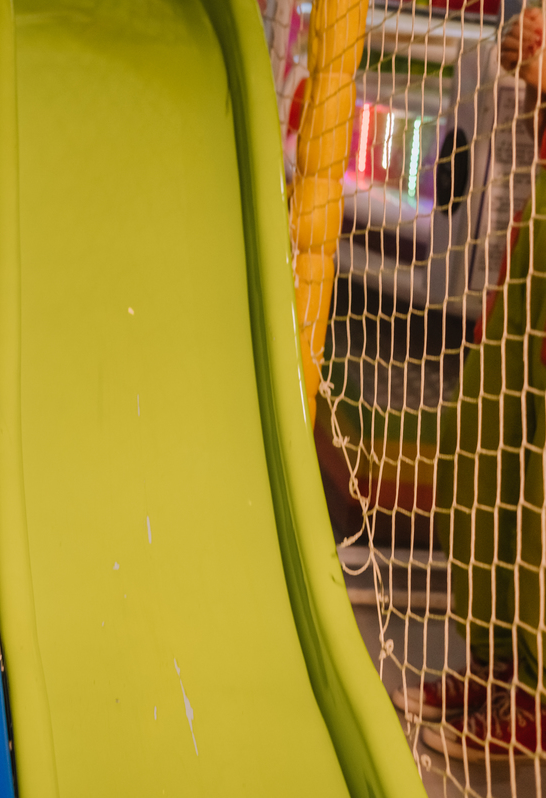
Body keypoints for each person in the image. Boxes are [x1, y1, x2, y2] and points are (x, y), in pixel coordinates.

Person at [392, 7, 546, 761]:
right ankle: (496, 664)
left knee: (539, 481)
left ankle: (537, 692)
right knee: (484, 455)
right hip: (530, 232)